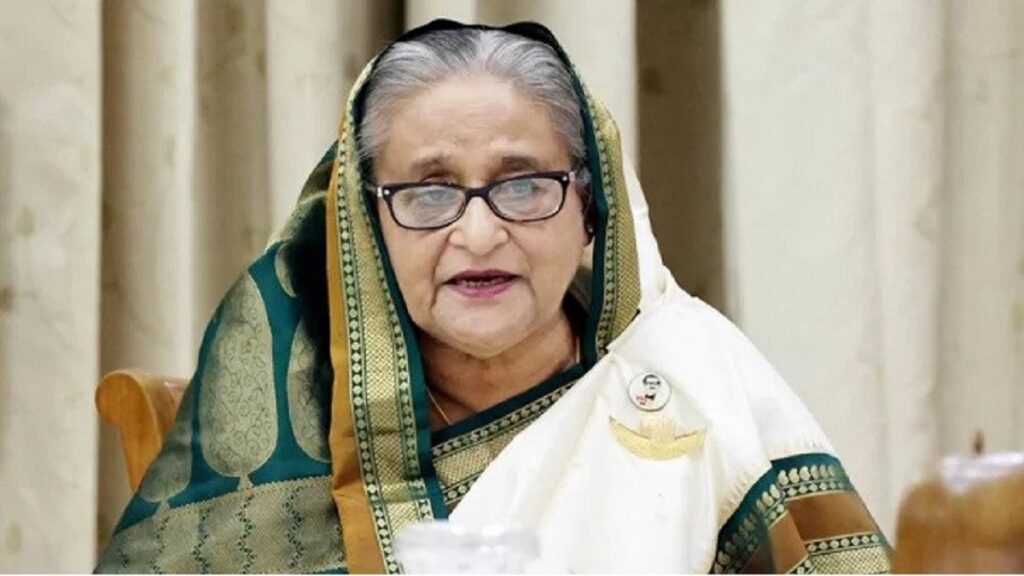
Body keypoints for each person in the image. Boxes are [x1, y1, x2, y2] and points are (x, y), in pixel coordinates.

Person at [96, 20, 891, 573]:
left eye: (524, 186)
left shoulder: (692, 377)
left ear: (591, 209)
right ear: (367, 227)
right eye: (428, 193)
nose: (478, 235)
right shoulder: (286, 424)